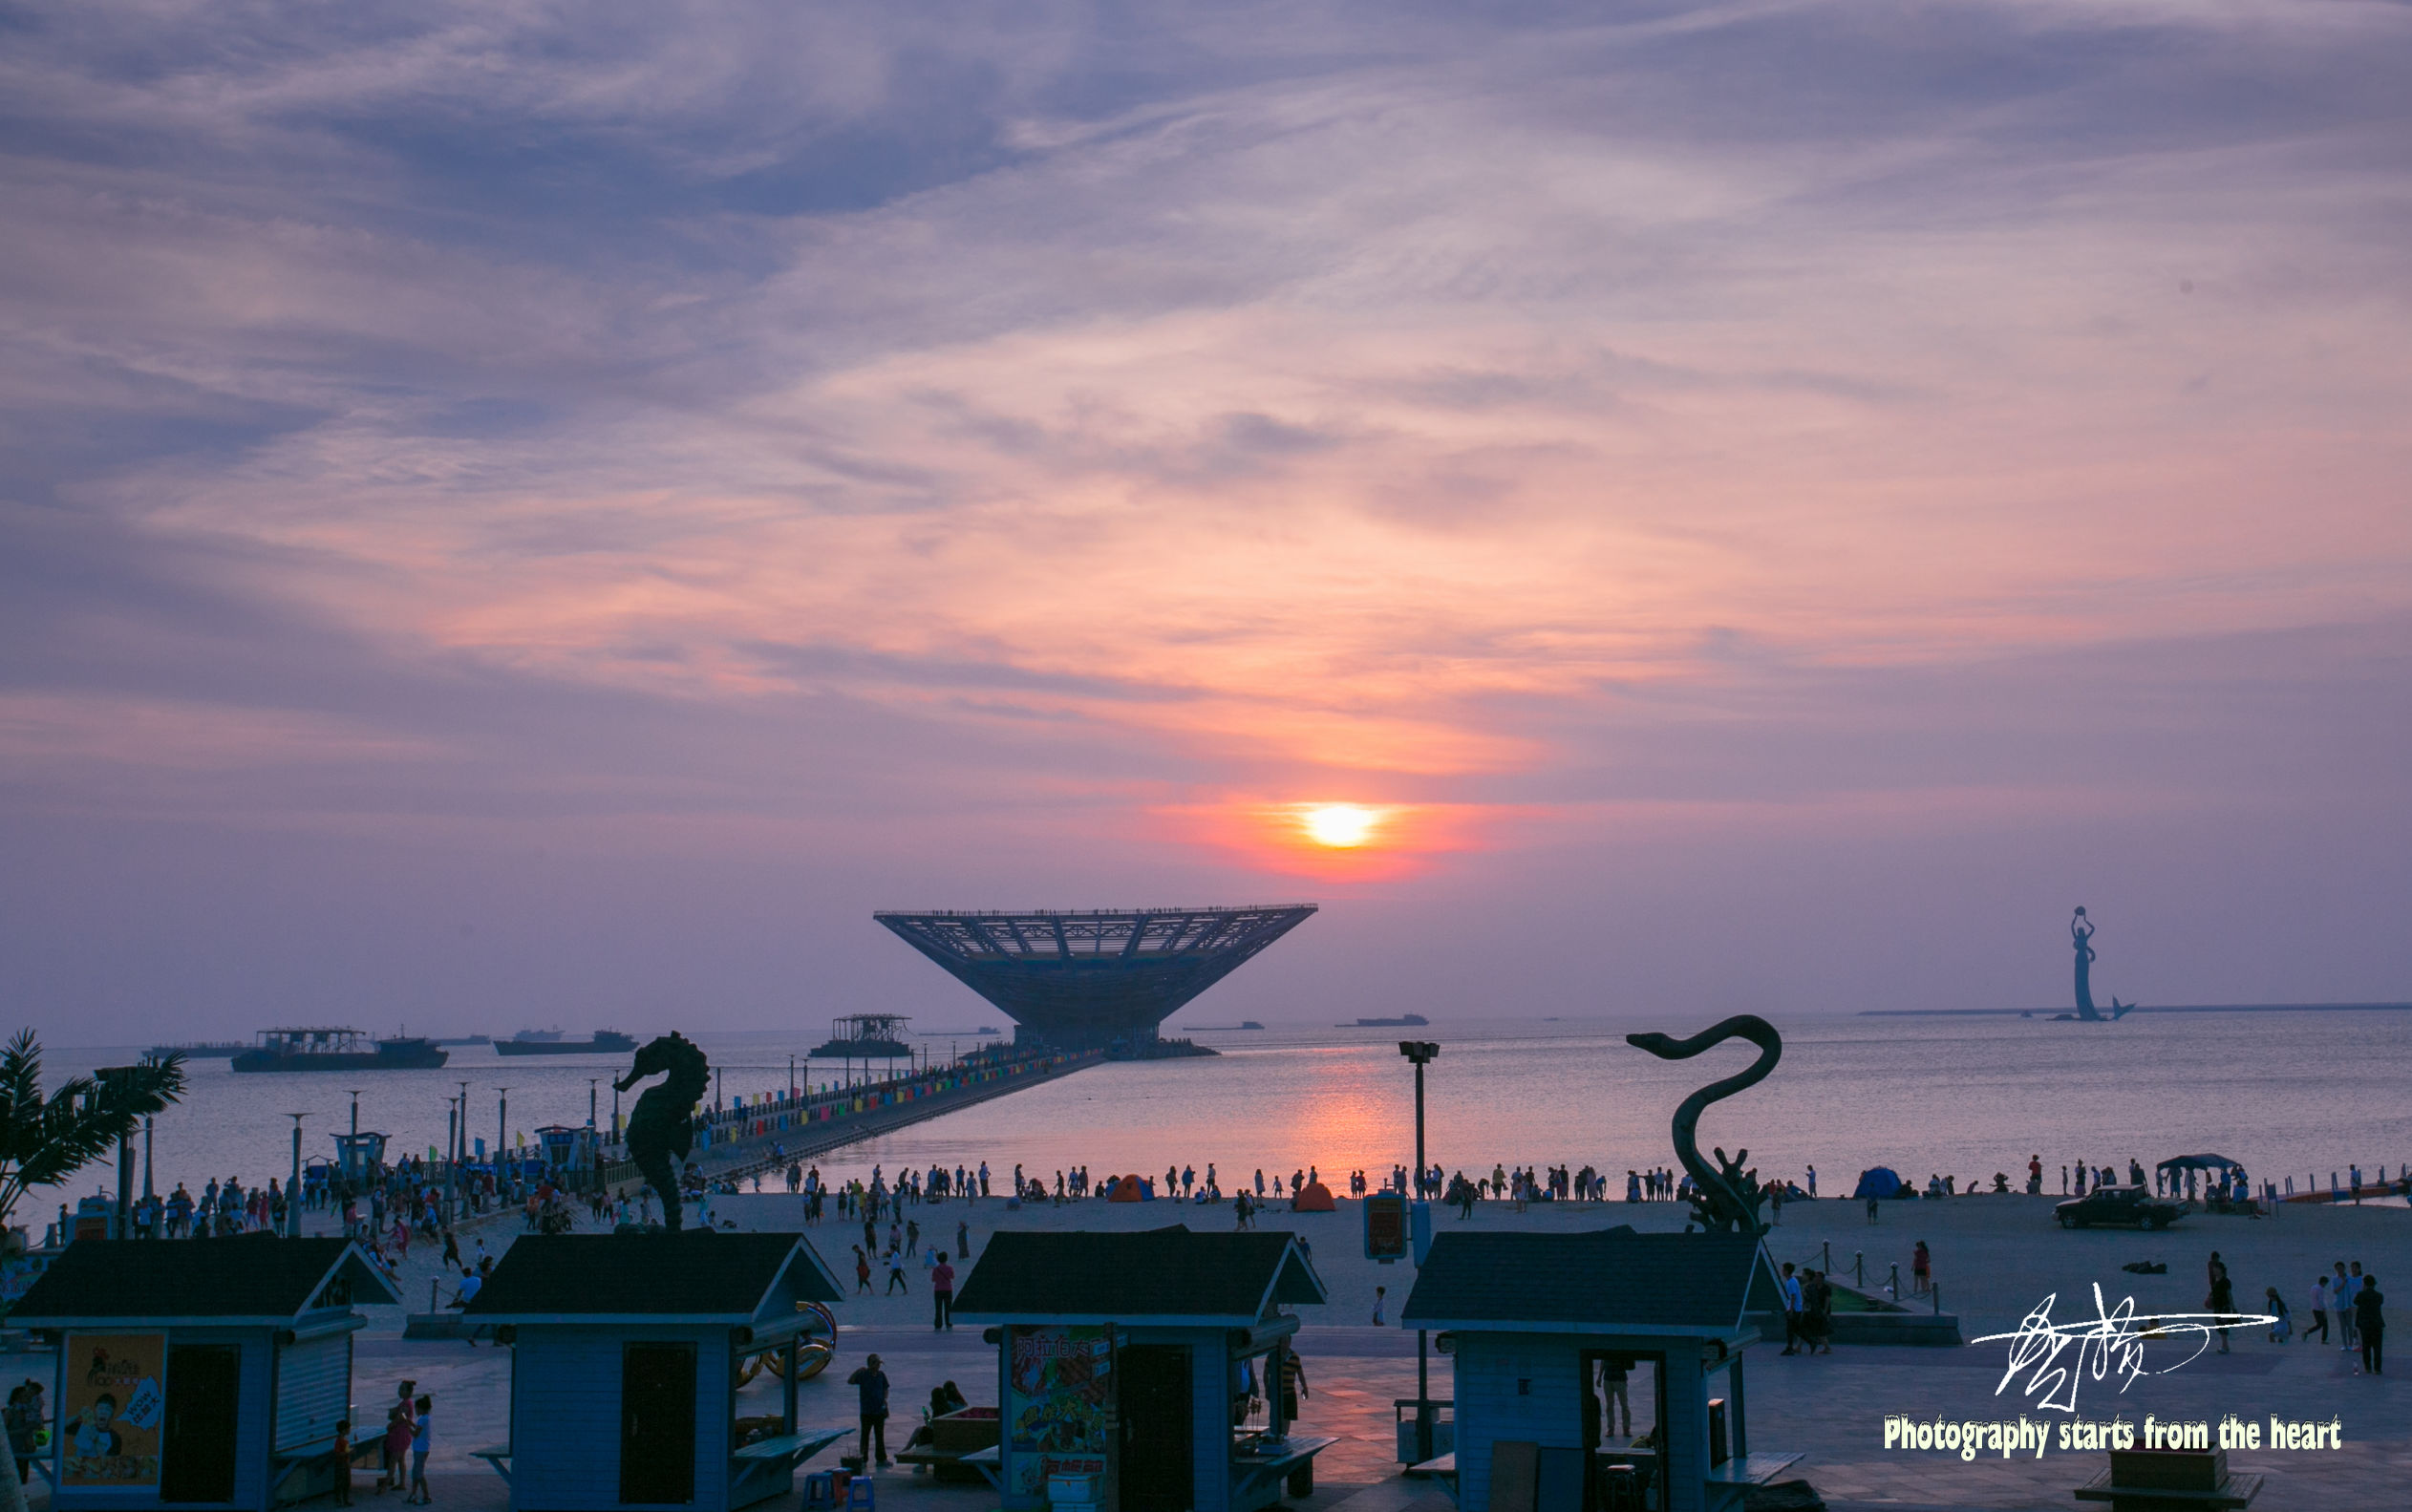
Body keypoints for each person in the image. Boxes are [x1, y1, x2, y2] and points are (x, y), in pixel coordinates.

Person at [849, 1353, 892, 1467]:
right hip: (866, 1411)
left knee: (879, 1435)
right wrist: (858, 1371)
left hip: (879, 1411)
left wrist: (884, 1400)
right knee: (865, 1436)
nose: (878, 1366)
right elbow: (851, 1381)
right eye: (876, 1364)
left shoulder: (881, 1375)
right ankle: (863, 1458)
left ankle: (881, 1458)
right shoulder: (863, 1375)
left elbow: (885, 1388)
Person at [2354, 1276, 2383, 1375]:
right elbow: (2380, 1303)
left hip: (2365, 1324)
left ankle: (2368, 1367)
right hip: (2377, 1324)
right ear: (2374, 1284)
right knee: (2377, 1347)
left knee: (2366, 1346)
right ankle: (2377, 1368)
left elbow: (2355, 1302)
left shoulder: (2361, 1295)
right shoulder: (2379, 1296)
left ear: (2364, 1284)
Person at [405, 1395, 431, 1504]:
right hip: (422, 1448)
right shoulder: (425, 1418)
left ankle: (426, 1496)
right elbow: (417, 1428)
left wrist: (407, 1427)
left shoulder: (422, 1419)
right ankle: (413, 1493)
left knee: (419, 1474)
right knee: (415, 1473)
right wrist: (408, 1422)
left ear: (421, 1408)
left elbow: (415, 1433)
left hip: (420, 1449)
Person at [2207, 1261, 2234, 1353]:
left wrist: (2232, 1307)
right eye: (2214, 1270)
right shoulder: (2215, 1281)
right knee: (2219, 1326)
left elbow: (2229, 1294)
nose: (2214, 1271)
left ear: (2221, 1270)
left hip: (2224, 1306)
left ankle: (2225, 1346)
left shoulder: (2226, 1281)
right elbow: (2214, 1292)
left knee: (2223, 1325)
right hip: (2217, 1306)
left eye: (2216, 1269)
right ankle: (2224, 1345)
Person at [1780, 1263, 1804, 1354]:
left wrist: (1790, 1310)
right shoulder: (1792, 1281)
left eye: (1783, 1269)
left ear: (1786, 1271)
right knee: (1794, 1329)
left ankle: (1790, 1347)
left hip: (1794, 1309)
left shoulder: (1791, 1282)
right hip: (1795, 1308)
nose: (1782, 1271)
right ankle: (1810, 1341)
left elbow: (1793, 1296)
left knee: (1791, 1329)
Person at [330, 1418, 354, 1506]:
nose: (349, 1430)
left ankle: (344, 1500)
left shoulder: (344, 1440)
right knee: (341, 1482)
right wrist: (347, 1452)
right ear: (344, 1430)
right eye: (348, 1429)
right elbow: (337, 1453)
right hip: (341, 1464)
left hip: (345, 1463)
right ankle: (340, 1501)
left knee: (345, 1482)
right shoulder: (340, 1441)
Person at [931, 1251, 956, 1331]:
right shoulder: (949, 1268)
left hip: (938, 1289)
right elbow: (952, 1277)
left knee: (938, 1308)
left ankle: (938, 1324)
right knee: (948, 1307)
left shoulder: (936, 1269)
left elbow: (933, 1279)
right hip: (948, 1289)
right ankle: (948, 1323)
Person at [2307, 1275, 2331, 1345]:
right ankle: (2323, 1340)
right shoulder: (2321, 1289)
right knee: (2325, 1325)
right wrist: (2324, 1310)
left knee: (2319, 1324)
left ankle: (2307, 1332)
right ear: (2323, 1282)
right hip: (2320, 1309)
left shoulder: (2313, 1287)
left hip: (2314, 1308)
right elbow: (2321, 1301)